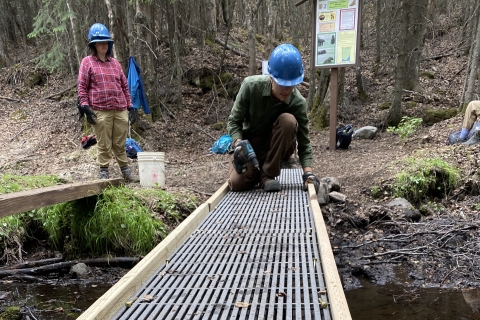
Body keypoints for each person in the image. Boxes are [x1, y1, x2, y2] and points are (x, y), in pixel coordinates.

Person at [227, 43, 320, 193]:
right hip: (250, 148)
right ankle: (256, 171)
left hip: (276, 148)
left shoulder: (298, 103)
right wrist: (238, 143)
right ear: (271, 77)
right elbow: (234, 122)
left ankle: (267, 175)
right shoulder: (250, 87)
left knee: (288, 121)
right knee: (237, 185)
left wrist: (308, 173)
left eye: (292, 85)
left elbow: (304, 143)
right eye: (282, 84)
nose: (287, 90)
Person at [77, 23, 138, 181]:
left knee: (120, 142)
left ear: (109, 44)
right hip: (99, 109)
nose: (103, 45)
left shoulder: (115, 63)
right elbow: (82, 86)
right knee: (104, 143)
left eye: (106, 42)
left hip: (119, 108)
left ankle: (125, 171)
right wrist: (84, 106)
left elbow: (124, 85)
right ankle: (104, 172)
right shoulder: (87, 62)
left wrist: (130, 106)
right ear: (94, 44)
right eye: (100, 42)